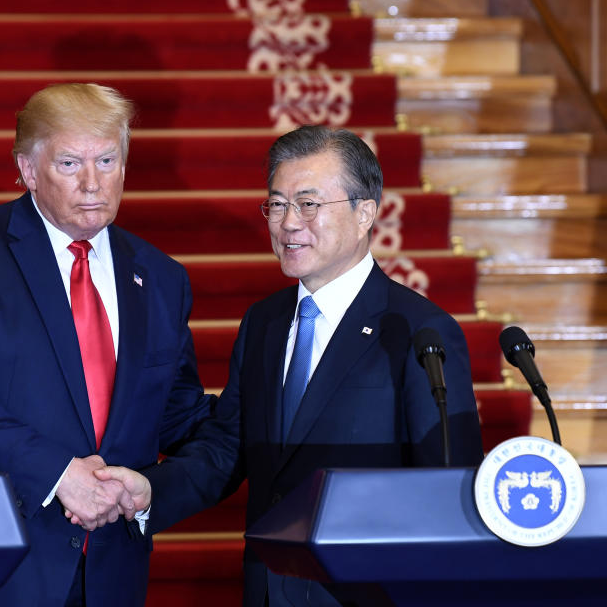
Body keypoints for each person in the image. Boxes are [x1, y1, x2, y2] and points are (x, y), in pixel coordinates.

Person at [98, 125, 484, 606]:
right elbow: (227, 446)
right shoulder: (264, 321)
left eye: (308, 204)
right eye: (277, 205)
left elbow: (447, 488)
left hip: (365, 593)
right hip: (267, 588)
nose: (288, 223)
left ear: (366, 212)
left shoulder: (417, 332)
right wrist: (149, 490)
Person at [0, 83, 212, 606]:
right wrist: (58, 474)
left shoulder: (160, 277)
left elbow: (177, 415)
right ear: (27, 170)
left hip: (110, 574)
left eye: (107, 160)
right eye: (69, 163)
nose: (93, 183)